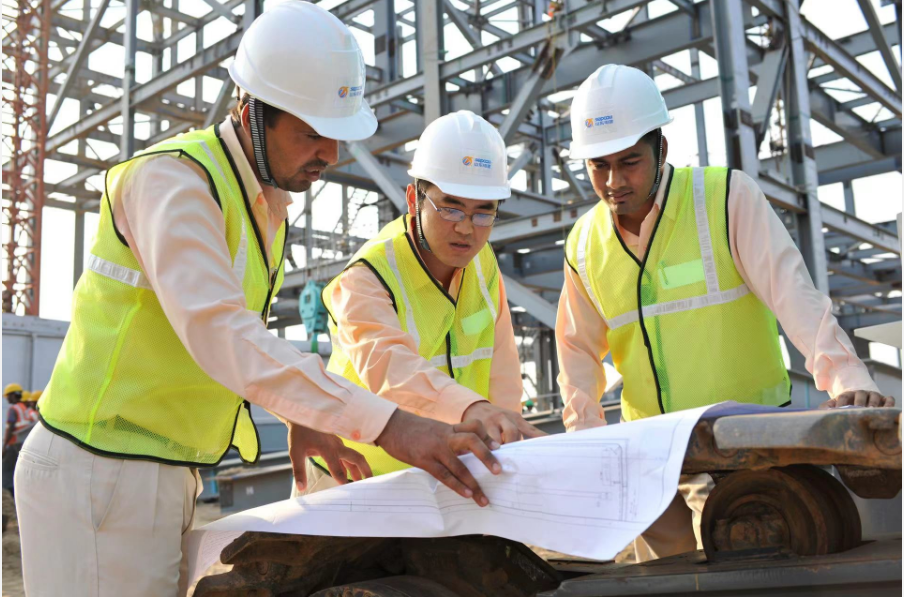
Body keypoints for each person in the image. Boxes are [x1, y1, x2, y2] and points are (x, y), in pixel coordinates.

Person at [15, 4, 501, 596]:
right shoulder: (173, 183)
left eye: (336, 137)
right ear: (251, 112)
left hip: (152, 473)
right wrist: (390, 424)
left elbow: (238, 333)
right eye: (311, 134)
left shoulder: (260, 203)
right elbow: (220, 332)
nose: (329, 155)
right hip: (101, 474)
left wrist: (300, 413)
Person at [556, 64, 896, 563]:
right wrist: (585, 439)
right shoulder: (584, 244)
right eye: (597, 166)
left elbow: (793, 294)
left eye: (629, 162)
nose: (613, 182)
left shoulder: (723, 198)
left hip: (754, 441)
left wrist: (847, 379)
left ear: (661, 149)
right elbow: (576, 350)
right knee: (665, 578)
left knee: (776, 564)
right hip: (653, 454)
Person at [294, 111, 544, 496]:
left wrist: (505, 429)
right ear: (414, 199)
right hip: (350, 479)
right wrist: (471, 409)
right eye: (450, 206)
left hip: (443, 470)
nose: (466, 227)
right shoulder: (368, 275)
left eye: (484, 212)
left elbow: (502, 362)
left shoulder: (482, 262)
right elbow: (390, 368)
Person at [2, 383, 30, 496]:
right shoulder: (24, 408)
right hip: (23, 444)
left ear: (13, 395)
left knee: (6, 471)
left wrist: (4, 446)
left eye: (8, 396)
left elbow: (11, 428)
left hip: (14, 444)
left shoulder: (13, 409)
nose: (7, 398)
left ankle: (9, 494)